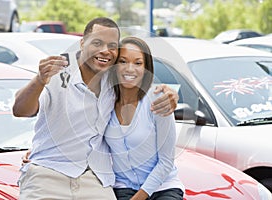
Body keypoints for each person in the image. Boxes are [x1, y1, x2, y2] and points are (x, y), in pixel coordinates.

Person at [13, 17, 179, 200]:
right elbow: (20, 110)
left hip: (94, 178)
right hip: (48, 173)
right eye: (97, 43)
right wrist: (39, 80)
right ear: (82, 43)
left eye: (111, 46)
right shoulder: (59, 73)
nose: (104, 51)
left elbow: (139, 77)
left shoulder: (114, 79)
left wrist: (171, 94)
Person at [104, 37, 184, 200]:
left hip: (163, 187)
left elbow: (166, 162)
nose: (130, 69)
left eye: (138, 63)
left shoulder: (159, 100)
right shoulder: (104, 101)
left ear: (147, 68)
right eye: (123, 61)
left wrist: (139, 197)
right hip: (123, 186)